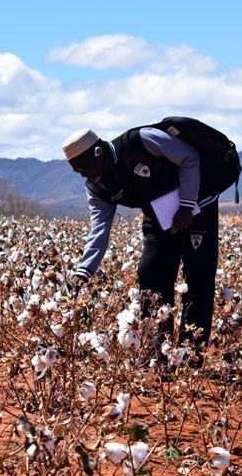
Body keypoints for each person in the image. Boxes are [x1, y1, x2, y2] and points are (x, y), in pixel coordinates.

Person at [62, 125, 219, 369]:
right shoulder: (97, 188)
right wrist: (84, 270)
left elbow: (190, 158)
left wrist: (187, 206)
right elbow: (99, 230)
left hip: (199, 208)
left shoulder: (142, 140)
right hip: (160, 217)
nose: (83, 174)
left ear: (97, 152)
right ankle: (158, 356)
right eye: (77, 171)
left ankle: (190, 359)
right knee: (151, 276)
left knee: (198, 280)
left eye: (83, 167)